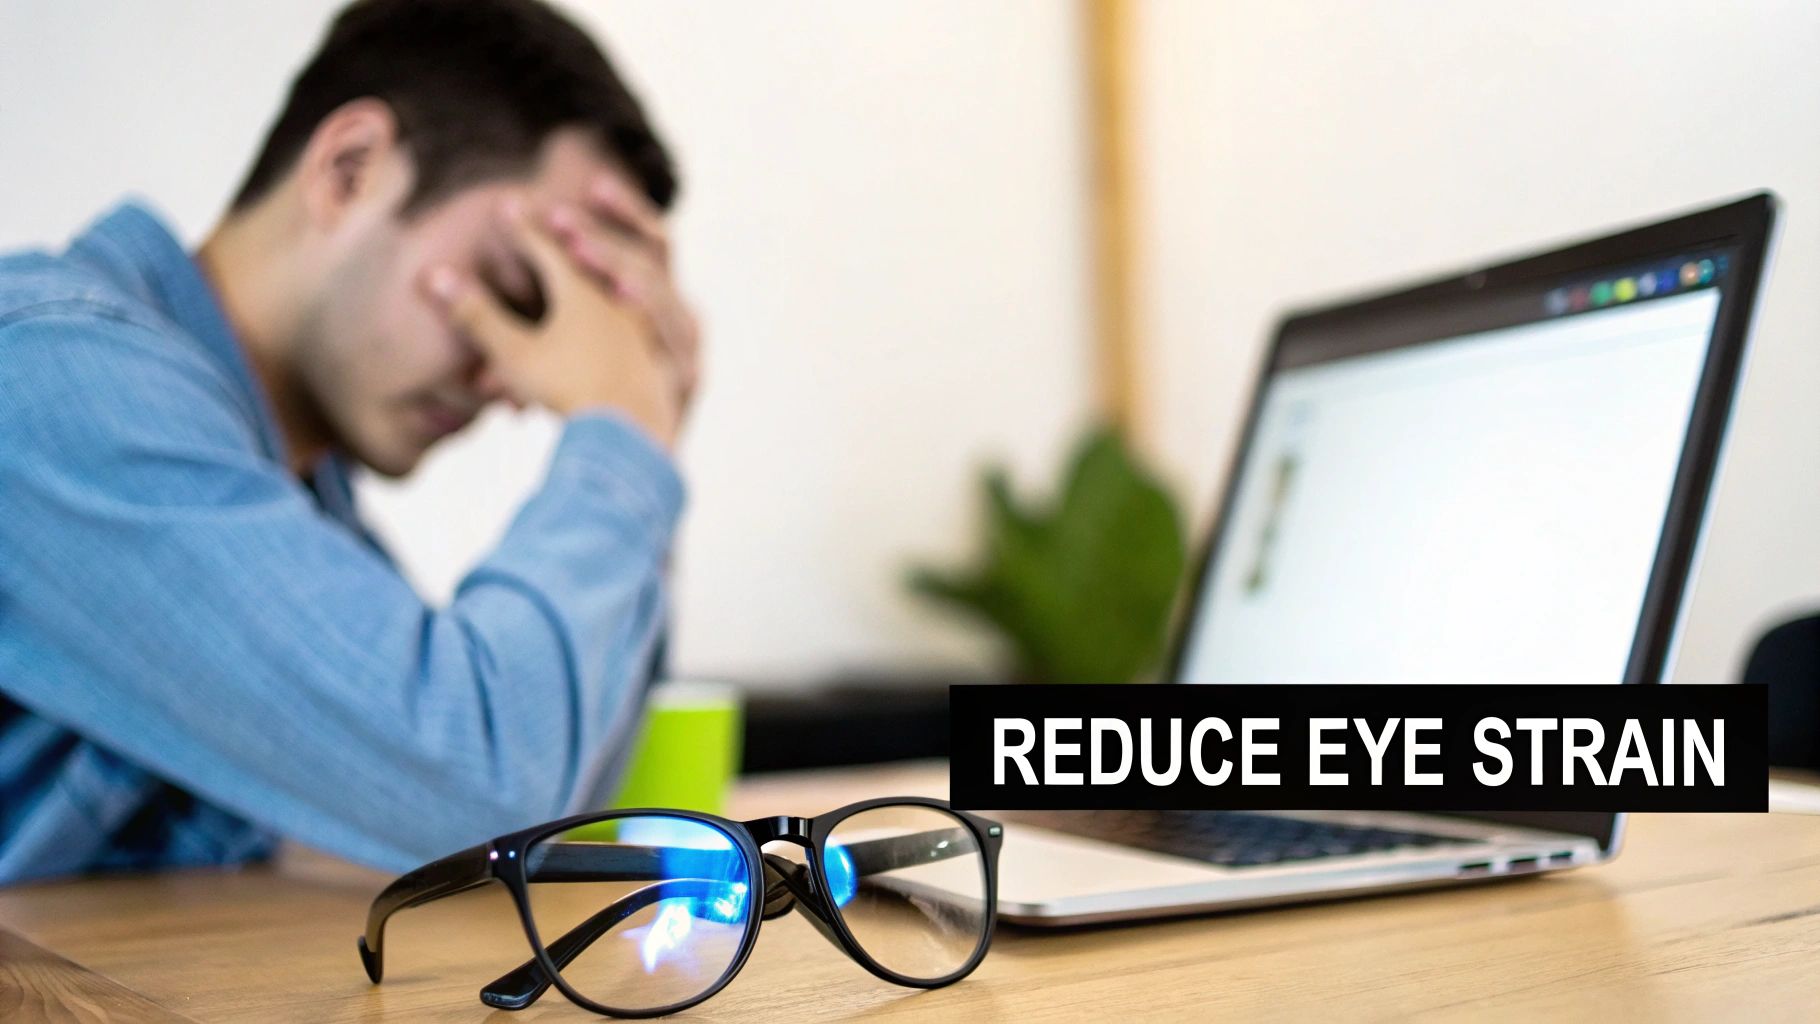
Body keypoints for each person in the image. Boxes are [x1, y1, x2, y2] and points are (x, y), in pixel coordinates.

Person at [0, 0, 702, 882]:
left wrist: (642, 426)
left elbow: (550, 815)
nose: (519, 379)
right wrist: (623, 434)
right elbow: (481, 793)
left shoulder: (293, 487)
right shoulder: (50, 379)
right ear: (349, 169)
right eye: (517, 287)